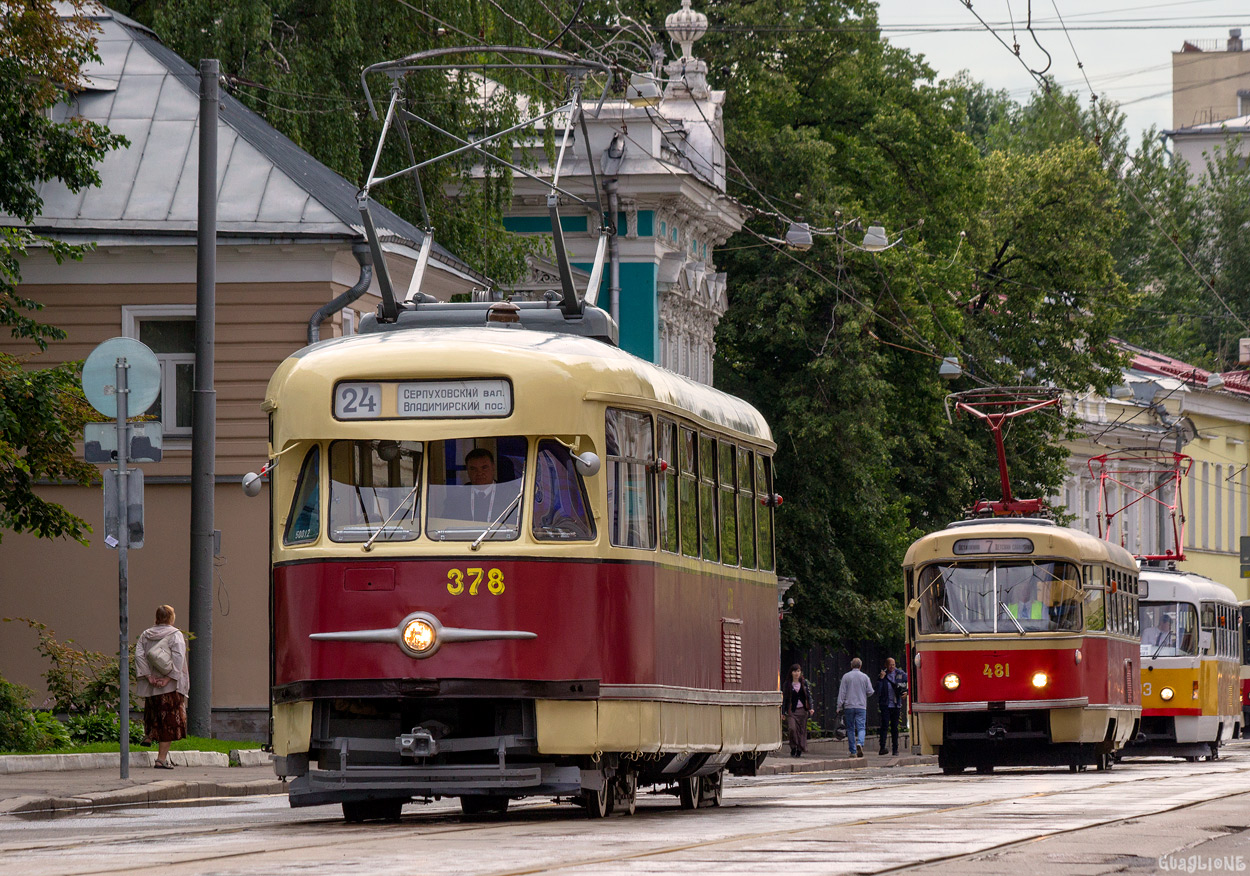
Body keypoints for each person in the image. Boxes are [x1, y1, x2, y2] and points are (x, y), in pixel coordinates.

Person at [135, 605, 189, 769]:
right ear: (171, 617)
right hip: (170, 688)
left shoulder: (146, 634)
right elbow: (178, 658)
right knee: (169, 722)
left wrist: (148, 676)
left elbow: (139, 655)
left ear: (157, 617)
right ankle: (161, 759)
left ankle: (149, 735)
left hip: (152, 687)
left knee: (153, 714)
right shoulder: (175, 635)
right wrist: (168, 678)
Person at [836, 657, 875, 758]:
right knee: (861, 727)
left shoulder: (846, 677)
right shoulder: (865, 677)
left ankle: (853, 751)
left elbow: (842, 692)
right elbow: (870, 691)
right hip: (861, 706)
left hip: (849, 706)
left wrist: (839, 706)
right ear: (860, 666)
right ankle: (860, 743)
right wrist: (863, 693)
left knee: (850, 729)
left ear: (851, 665)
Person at [876, 657, 908, 756]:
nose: (892, 667)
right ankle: (882, 747)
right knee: (884, 726)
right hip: (885, 705)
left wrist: (907, 692)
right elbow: (878, 691)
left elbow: (909, 684)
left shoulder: (900, 674)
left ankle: (895, 749)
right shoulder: (882, 675)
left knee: (895, 727)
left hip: (896, 705)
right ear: (886, 665)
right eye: (890, 664)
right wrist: (881, 679)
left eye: (893, 664)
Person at [782, 664, 814, 757]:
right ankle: (793, 746)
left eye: (798, 671)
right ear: (791, 673)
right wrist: (783, 712)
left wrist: (811, 708)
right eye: (795, 671)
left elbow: (808, 696)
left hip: (802, 711)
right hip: (792, 710)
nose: (797, 673)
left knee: (801, 731)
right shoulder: (787, 684)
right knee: (792, 729)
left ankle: (799, 748)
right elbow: (785, 699)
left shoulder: (804, 683)